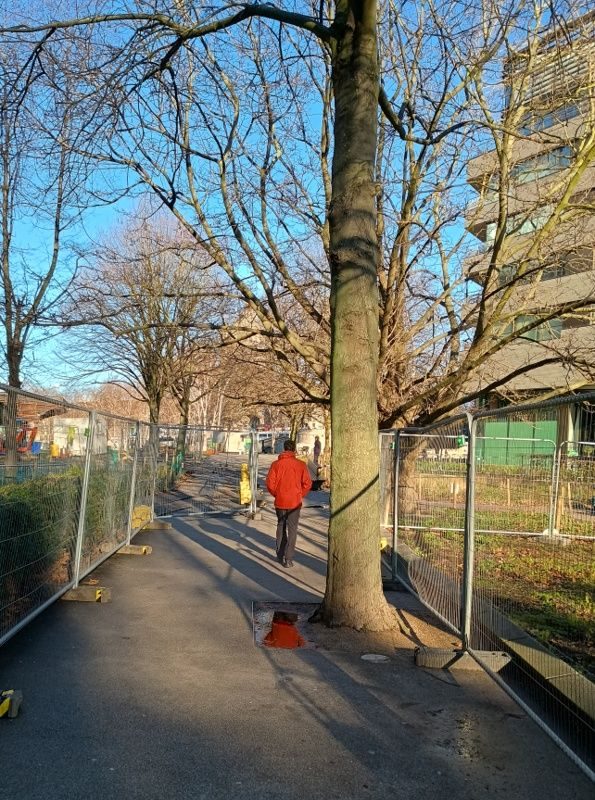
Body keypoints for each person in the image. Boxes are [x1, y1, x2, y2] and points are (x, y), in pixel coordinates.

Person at [265, 439, 312, 568]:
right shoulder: (301, 465)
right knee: (292, 529)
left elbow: (270, 483)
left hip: (280, 501)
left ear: (284, 449)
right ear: (294, 450)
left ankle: (280, 554)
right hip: (294, 502)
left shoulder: (276, 465)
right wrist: (299, 494)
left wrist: (277, 493)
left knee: (281, 526)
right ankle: (289, 559)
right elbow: (308, 483)